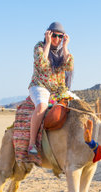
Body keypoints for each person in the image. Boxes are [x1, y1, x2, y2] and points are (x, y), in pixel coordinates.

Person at [27, 22, 77, 155]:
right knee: (42, 106)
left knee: (78, 105)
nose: (57, 39)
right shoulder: (39, 47)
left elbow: (70, 66)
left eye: (60, 37)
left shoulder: (62, 51)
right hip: (40, 85)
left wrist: (65, 46)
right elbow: (41, 64)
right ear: (48, 34)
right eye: (54, 35)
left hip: (58, 88)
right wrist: (47, 44)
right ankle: (32, 143)